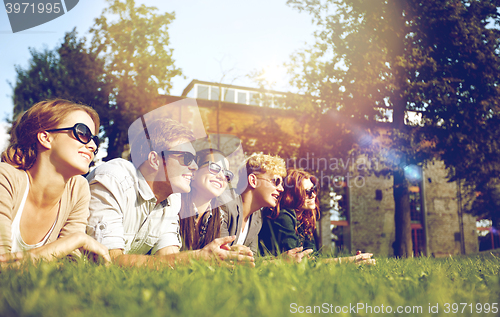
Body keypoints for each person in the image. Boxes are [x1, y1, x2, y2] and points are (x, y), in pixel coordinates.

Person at [86, 118, 253, 268]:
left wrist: (219, 257)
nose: (194, 166)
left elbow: (168, 260)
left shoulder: (172, 199)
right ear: (154, 160)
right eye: (187, 159)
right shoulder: (115, 179)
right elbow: (106, 260)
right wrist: (198, 257)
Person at [0, 99, 111, 266]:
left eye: (94, 139)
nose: (93, 146)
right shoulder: (5, 178)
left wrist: (72, 243)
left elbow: (69, 264)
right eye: (82, 133)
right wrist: (77, 239)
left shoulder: (78, 189)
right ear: (45, 137)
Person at [259, 169, 375, 265]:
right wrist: (346, 261)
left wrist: (351, 262)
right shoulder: (283, 216)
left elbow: (314, 258)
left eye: (313, 189)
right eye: (308, 191)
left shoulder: (303, 219)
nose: (313, 195)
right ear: (292, 194)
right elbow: (301, 263)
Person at [220, 153, 297, 257]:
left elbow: (252, 259)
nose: (281, 189)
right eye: (276, 181)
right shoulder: (224, 203)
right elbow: (221, 255)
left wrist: (280, 261)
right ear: (253, 181)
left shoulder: (256, 216)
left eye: (282, 184)